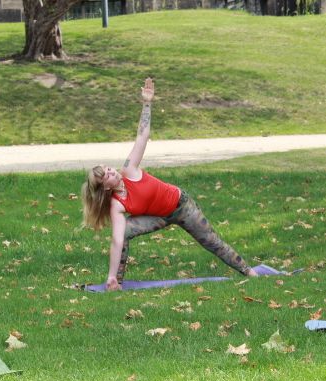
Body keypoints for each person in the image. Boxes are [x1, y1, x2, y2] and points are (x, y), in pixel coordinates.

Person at [81, 78, 258, 291]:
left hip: (181, 206)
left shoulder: (129, 170)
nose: (111, 171)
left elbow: (142, 136)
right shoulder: (117, 204)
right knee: (125, 231)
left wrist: (147, 103)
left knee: (212, 242)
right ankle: (115, 283)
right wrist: (110, 276)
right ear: (106, 187)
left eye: (108, 168)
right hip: (158, 217)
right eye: (106, 176)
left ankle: (249, 272)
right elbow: (117, 240)